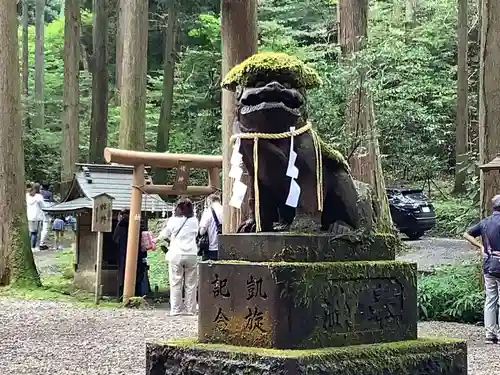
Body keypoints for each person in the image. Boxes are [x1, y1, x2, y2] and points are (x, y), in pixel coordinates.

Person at [464, 194, 500, 344]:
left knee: (490, 299)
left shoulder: (485, 222)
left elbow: (466, 234)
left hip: (488, 265)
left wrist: (481, 246)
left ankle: (490, 334)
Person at [156, 198, 199, 316]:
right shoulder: (195, 221)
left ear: (179, 209)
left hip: (176, 254)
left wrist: (157, 239)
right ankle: (191, 310)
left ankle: (176, 309)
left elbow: (164, 234)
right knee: (191, 284)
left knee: (176, 282)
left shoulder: (173, 221)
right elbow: (196, 234)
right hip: (191, 254)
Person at [113, 209, 149, 299]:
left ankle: (122, 296)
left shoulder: (120, 225)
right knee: (138, 276)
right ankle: (138, 296)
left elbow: (115, 239)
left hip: (123, 255)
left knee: (123, 276)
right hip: (139, 255)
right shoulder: (139, 224)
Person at [198, 194, 223, 261]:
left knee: (209, 270)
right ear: (219, 201)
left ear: (209, 202)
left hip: (211, 248)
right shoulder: (226, 210)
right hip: (224, 248)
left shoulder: (208, 212)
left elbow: (202, 231)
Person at [26, 183, 46, 252]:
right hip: (37, 216)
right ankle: (33, 247)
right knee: (35, 233)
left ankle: (31, 246)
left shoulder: (26, 197)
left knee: (31, 232)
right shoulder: (39, 197)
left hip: (29, 216)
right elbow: (43, 206)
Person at [38, 184, 53, 250]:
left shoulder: (38, 193)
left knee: (37, 229)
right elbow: (51, 202)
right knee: (45, 228)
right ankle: (42, 243)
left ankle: (35, 243)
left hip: (37, 212)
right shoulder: (49, 193)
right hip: (46, 212)